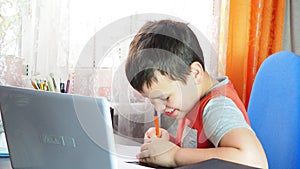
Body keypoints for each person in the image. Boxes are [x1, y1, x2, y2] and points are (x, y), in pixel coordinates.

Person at [125, 19, 268, 168]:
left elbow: (254, 160)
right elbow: (201, 149)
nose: (160, 108)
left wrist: (175, 155)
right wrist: (169, 145)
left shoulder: (217, 107)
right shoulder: (192, 100)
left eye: (165, 98)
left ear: (195, 73)